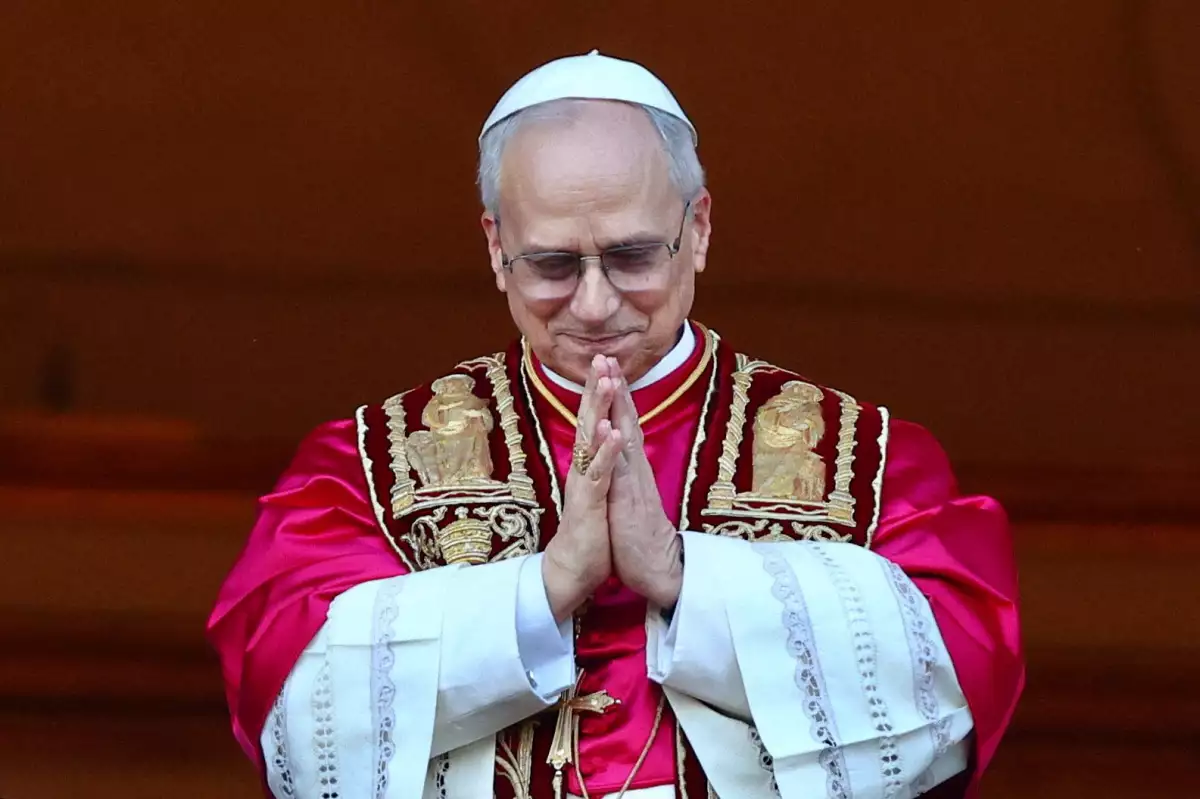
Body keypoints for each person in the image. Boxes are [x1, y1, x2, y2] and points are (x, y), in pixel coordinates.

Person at [208, 50, 1024, 799]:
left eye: (633, 256)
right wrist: (544, 588)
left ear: (698, 230)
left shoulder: (864, 459)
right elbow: (289, 707)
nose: (595, 305)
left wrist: (680, 576)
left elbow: (956, 678)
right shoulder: (369, 467)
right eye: (554, 265)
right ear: (496, 247)